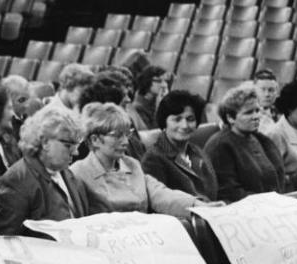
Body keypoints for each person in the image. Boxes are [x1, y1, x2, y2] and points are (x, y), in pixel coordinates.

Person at [71, 102, 204, 218]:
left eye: (127, 134)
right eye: (117, 136)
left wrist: (196, 205)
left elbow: (160, 194)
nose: (125, 142)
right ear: (95, 140)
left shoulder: (132, 164)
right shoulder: (79, 173)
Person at [0, 105, 89, 236]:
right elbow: (6, 241)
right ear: (45, 142)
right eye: (68, 145)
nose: (75, 152)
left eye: (77, 145)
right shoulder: (16, 181)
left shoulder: (68, 174)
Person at [203, 84, 286, 202]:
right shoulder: (219, 146)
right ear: (230, 118)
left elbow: (278, 180)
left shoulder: (262, 140)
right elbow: (228, 192)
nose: (256, 116)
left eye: (257, 110)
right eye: (248, 113)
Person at [140, 90, 219, 201]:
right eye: (177, 119)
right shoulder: (153, 159)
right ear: (164, 122)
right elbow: (159, 203)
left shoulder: (197, 151)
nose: (184, 125)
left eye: (190, 119)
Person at [126, 66, 168, 131]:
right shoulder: (138, 107)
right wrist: (160, 108)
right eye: (159, 81)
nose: (164, 85)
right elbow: (151, 134)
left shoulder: (154, 103)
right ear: (147, 81)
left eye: (165, 81)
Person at [254, 69, 280, 135]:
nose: (267, 94)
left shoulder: (282, 114)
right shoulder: (244, 113)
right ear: (254, 91)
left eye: (271, 90)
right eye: (263, 90)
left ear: (276, 93)